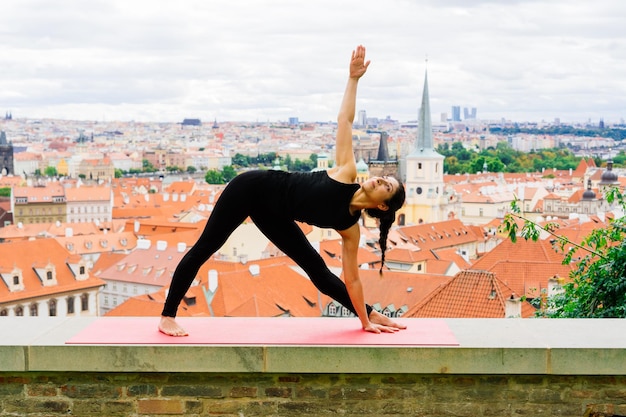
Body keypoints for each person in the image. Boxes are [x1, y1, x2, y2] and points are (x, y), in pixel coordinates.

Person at [159, 45, 407, 336]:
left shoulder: (349, 228)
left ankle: (370, 313)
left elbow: (351, 280)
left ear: (383, 206)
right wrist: (353, 79)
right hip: (250, 188)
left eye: (387, 185)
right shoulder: (346, 171)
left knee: (318, 271)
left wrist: (366, 320)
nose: (380, 180)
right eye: (384, 178)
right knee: (206, 247)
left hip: (274, 213)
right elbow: (345, 121)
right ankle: (167, 316)